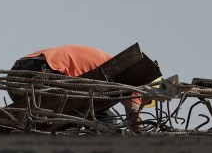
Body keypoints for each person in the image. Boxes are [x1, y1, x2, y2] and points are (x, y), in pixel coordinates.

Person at [9, 45, 144, 131]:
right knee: (104, 122)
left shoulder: (107, 64)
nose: (142, 103)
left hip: (17, 73)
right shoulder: (131, 76)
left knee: (74, 119)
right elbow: (135, 119)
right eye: (146, 101)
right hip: (45, 71)